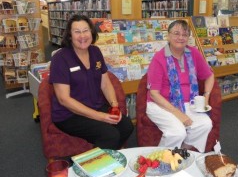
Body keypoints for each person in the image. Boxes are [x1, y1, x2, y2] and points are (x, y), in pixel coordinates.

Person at [49, 14, 134, 150]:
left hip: (95, 106)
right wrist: (100, 116)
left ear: (91, 32)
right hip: (69, 115)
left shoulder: (95, 52)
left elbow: (105, 83)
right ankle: (93, 165)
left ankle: (107, 156)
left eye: (85, 30)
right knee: (109, 135)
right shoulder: (60, 59)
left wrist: (114, 105)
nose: (82, 36)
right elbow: (63, 99)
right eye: (77, 32)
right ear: (70, 36)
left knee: (127, 125)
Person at [146, 19, 215, 153]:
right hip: (161, 104)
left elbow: (209, 75)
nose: (180, 37)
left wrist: (206, 96)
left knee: (205, 124)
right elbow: (154, 94)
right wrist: (178, 114)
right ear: (168, 35)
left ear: (188, 37)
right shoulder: (158, 58)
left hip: (188, 102)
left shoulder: (193, 53)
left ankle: (182, 152)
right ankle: (160, 159)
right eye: (176, 33)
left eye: (184, 34)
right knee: (177, 132)